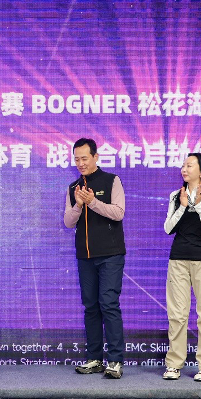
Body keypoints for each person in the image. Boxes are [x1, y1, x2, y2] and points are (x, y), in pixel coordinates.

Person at [63, 138, 127, 379]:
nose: (80, 163)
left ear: (95, 157)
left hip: (110, 254)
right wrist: (79, 205)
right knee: (90, 306)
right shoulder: (73, 187)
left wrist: (94, 202)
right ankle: (94, 358)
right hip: (85, 256)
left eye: (84, 158)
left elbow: (118, 213)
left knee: (108, 304)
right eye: (76, 159)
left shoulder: (111, 180)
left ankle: (115, 360)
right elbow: (68, 222)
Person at [162, 153, 201, 382]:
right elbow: (168, 228)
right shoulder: (175, 195)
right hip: (178, 259)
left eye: (189, 165)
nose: (184, 169)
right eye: (183, 165)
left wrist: (198, 205)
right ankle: (174, 364)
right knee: (177, 315)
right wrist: (182, 207)